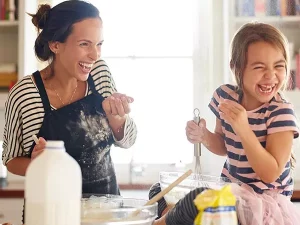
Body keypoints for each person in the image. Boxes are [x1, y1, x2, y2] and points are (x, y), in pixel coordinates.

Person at [150, 22, 300, 225]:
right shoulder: (226, 96)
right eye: (259, 67)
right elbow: (223, 145)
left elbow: (270, 173)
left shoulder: (281, 112)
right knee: (160, 190)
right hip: (232, 191)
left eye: (279, 66)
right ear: (236, 67)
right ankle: (173, 217)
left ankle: (161, 222)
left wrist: (244, 128)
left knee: (198, 198)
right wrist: (204, 136)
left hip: (262, 205)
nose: (271, 76)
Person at [2, 0, 137, 198]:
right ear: (55, 45)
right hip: (50, 212)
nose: (94, 55)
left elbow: (128, 141)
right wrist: (36, 165)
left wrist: (117, 118)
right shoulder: (25, 93)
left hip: (105, 212)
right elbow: (11, 159)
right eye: (84, 44)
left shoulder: (100, 74)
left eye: (99, 44)